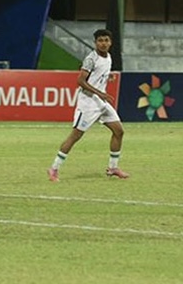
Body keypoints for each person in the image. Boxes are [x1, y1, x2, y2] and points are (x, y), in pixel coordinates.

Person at [49, 28, 128, 182]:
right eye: (100, 41)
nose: (103, 43)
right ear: (95, 43)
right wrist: (100, 93)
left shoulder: (108, 57)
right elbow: (80, 81)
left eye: (106, 40)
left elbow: (98, 76)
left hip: (101, 102)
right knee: (75, 136)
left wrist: (106, 79)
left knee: (119, 131)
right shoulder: (91, 59)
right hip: (88, 103)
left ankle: (113, 168)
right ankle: (54, 168)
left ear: (110, 42)